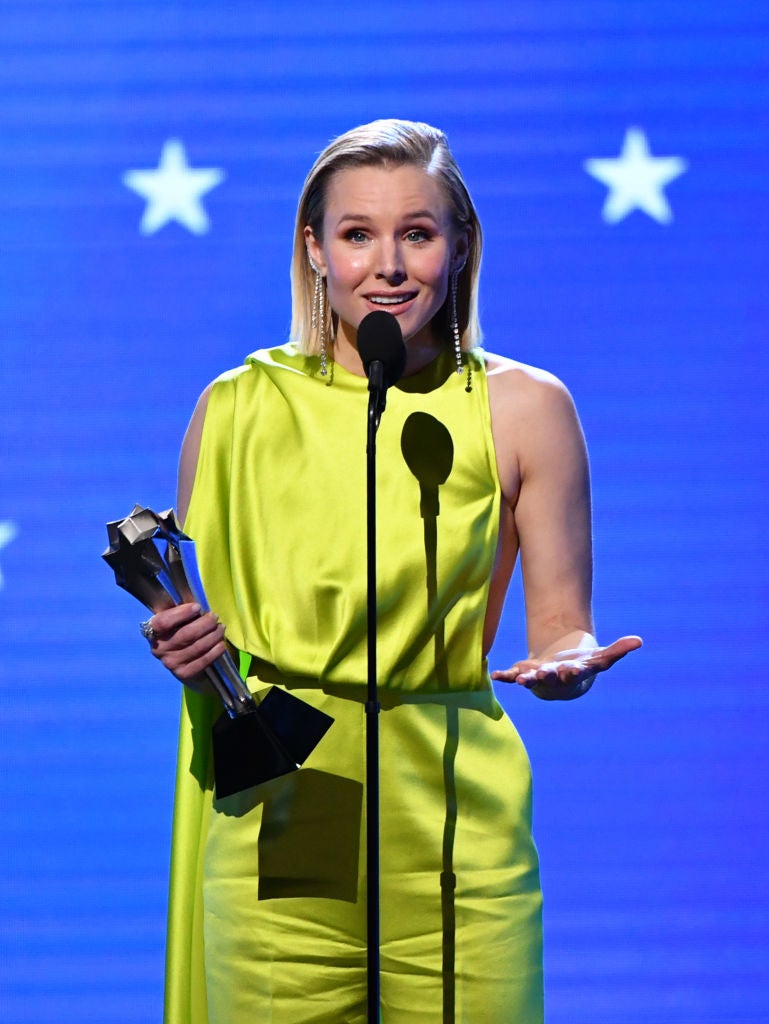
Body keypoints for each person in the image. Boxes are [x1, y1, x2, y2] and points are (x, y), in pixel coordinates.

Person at [143, 119, 641, 1024]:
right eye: (356, 233)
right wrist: (186, 643)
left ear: (459, 249)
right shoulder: (236, 410)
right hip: (293, 798)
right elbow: (207, 628)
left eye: (416, 232)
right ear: (315, 252)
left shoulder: (524, 408)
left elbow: (561, 621)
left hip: (456, 812)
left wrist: (568, 661)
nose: (388, 264)